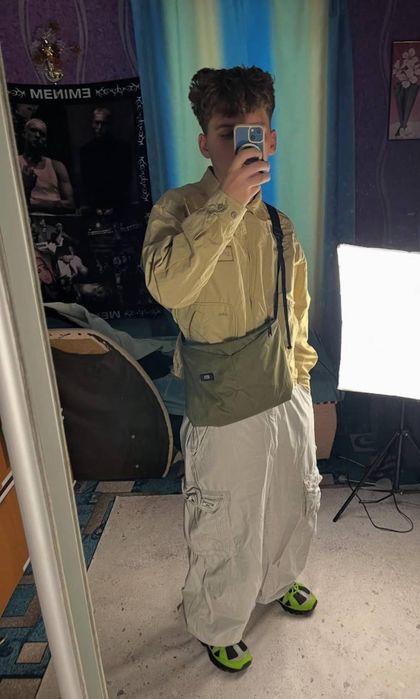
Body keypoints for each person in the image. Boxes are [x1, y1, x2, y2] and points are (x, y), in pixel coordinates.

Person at [142, 66, 322, 674]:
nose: (243, 145)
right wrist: (228, 205)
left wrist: (302, 382)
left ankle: (279, 580)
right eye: (228, 133)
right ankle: (217, 621)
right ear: (205, 143)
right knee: (225, 517)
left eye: (254, 133)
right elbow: (169, 285)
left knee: (293, 499)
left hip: (283, 389)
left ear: (271, 141)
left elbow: (296, 308)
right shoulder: (178, 209)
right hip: (221, 402)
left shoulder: (280, 225)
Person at [79, 107, 132, 214]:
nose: (99, 127)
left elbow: (124, 181)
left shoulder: (122, 149)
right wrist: (93, 207)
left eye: (103, 124)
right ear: (92, 124)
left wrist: (115, 207)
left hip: (118, 207)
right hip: (94, 208)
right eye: (97, 123)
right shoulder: (86, 151)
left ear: (109, 125)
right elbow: (86, 183)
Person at [18, 118, 75, 213]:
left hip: (55, 220)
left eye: (42, 134)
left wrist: (34, 204)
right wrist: (26, 187)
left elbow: (70, 204)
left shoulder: (57, 166)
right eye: (33, 130)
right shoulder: (14, 164)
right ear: (24, 134)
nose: (37, 135)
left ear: (45, 140)